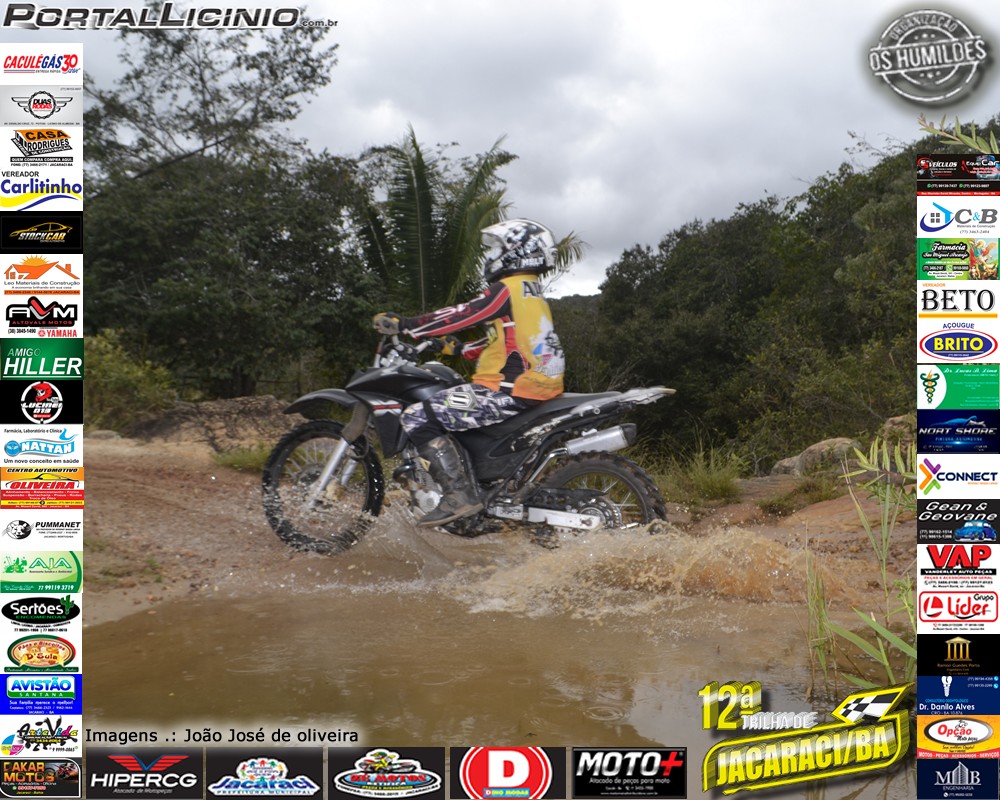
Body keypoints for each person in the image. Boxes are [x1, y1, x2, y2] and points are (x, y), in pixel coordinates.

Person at [372, 219, 566, 527]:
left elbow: (464, 314)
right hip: (534, 385)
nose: (492, 254)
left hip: (507, 390)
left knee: (417, 417)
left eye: (499, 247)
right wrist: (459, 349)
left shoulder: (507, 289)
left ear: (518, 250)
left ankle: (459, 496)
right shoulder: (530, 292)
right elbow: (507, 339)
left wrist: (407, 325)